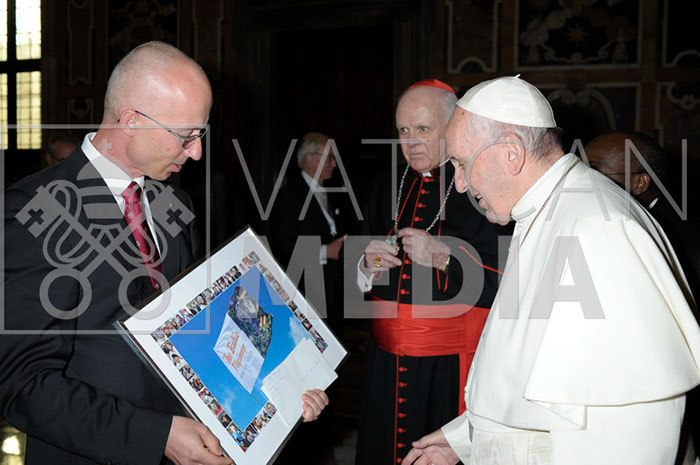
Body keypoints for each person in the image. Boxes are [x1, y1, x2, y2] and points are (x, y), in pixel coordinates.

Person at [1, 41, 328, 465]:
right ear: (131, 121)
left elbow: (202, 325)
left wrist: (281, 382)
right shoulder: (34, 210)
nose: (197, 152)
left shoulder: (173, 202)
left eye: (201, 134)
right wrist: (157, 436)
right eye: (185, 136)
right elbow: (23, 385)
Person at [405, 76, 700, 465]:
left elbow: (629, 425)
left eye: (462, 164)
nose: (459, 185)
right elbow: (535, 373)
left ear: (511, 153)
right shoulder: (548, 209)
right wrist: (467, 437)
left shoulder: (597, 228)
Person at [355, 79, 509, 465]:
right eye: (403, 130)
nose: (411, 142)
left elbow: (512, 281)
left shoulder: (483, 188)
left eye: (423, 129)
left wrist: (445, 258)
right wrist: (367, 265)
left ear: (451, 127)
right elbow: (360, 273)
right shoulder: (384, 185)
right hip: (385, 364)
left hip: (452, 367)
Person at [585, 131, 700, 459]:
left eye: (595, 170)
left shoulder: (682, 237)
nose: (581, 178)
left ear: (639, 183)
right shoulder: (594, 218)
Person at [269, 131, 349, 332]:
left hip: (332, 292)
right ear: (310, 158)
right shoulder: (289, 195)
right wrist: (325, 251)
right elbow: (281, 244)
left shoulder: (331, 193)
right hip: (305, 294)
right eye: (329, 158)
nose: (334, 164)